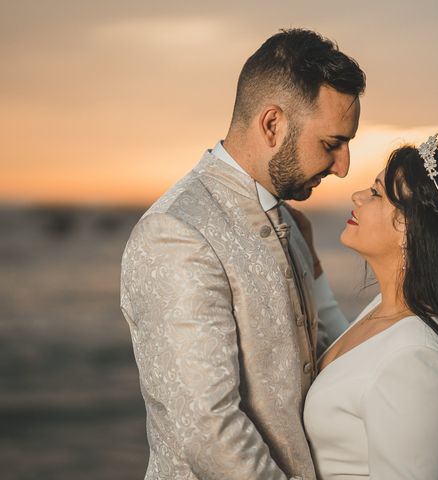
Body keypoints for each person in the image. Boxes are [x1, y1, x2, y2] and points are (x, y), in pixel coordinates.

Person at [120, 29, 364, 480]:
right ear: (272, 124)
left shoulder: (290, 221)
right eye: (332, 144)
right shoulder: (176, 233)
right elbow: (208, 428)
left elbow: (320, 361)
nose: (343, 166)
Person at [303, 134, 438, 479]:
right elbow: (357, 361)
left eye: (377, 192)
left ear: (410, 228)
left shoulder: (415, 361)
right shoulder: (389, 311)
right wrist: (311, 264)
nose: (358, 196)